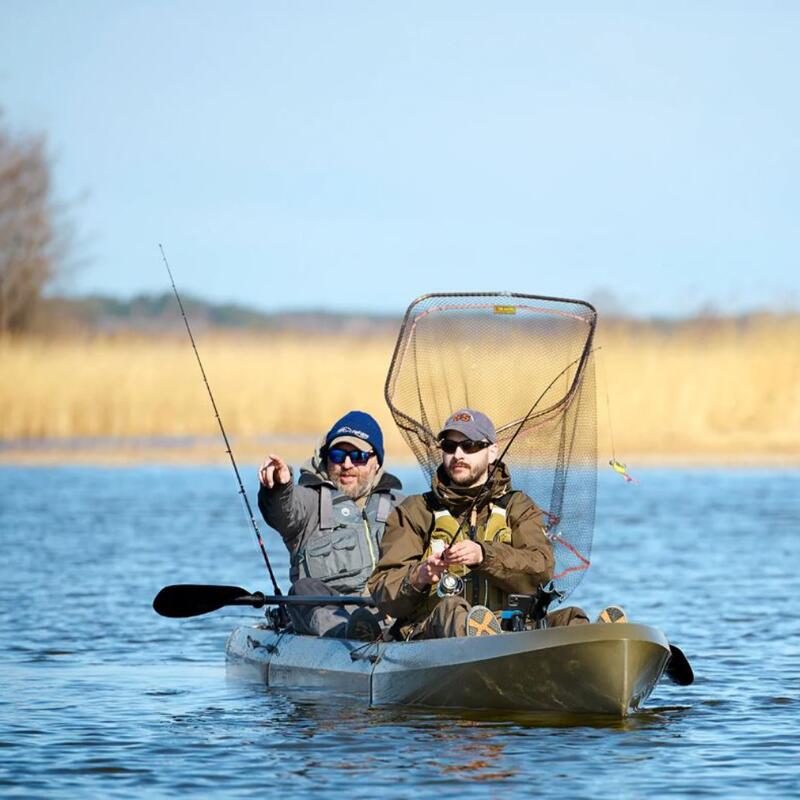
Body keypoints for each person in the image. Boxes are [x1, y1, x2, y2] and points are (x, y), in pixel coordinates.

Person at [367, 408, 594, 640]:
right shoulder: (415, 511)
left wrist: (484, 556)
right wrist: (420, 576)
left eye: (470, 446)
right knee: (452, 610)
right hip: (433, 633)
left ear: (492, 452)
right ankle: (480, 640)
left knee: (573, 619)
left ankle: (604, 644)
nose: (458, 455)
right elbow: (384, 594)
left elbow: (541, 569)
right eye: (449, 446)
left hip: (509, 629)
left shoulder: (519, 506)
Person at [258, 410, 403, 640]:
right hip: (331, 620)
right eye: (338, 455)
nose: (346, 464)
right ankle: (352, 633)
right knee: (303, 590)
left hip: (391, 613)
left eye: (358, 456)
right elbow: (282, 511)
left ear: (376, 462)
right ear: (327, 459)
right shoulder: (310, 500)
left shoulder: (401, 507)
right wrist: (278, 489)